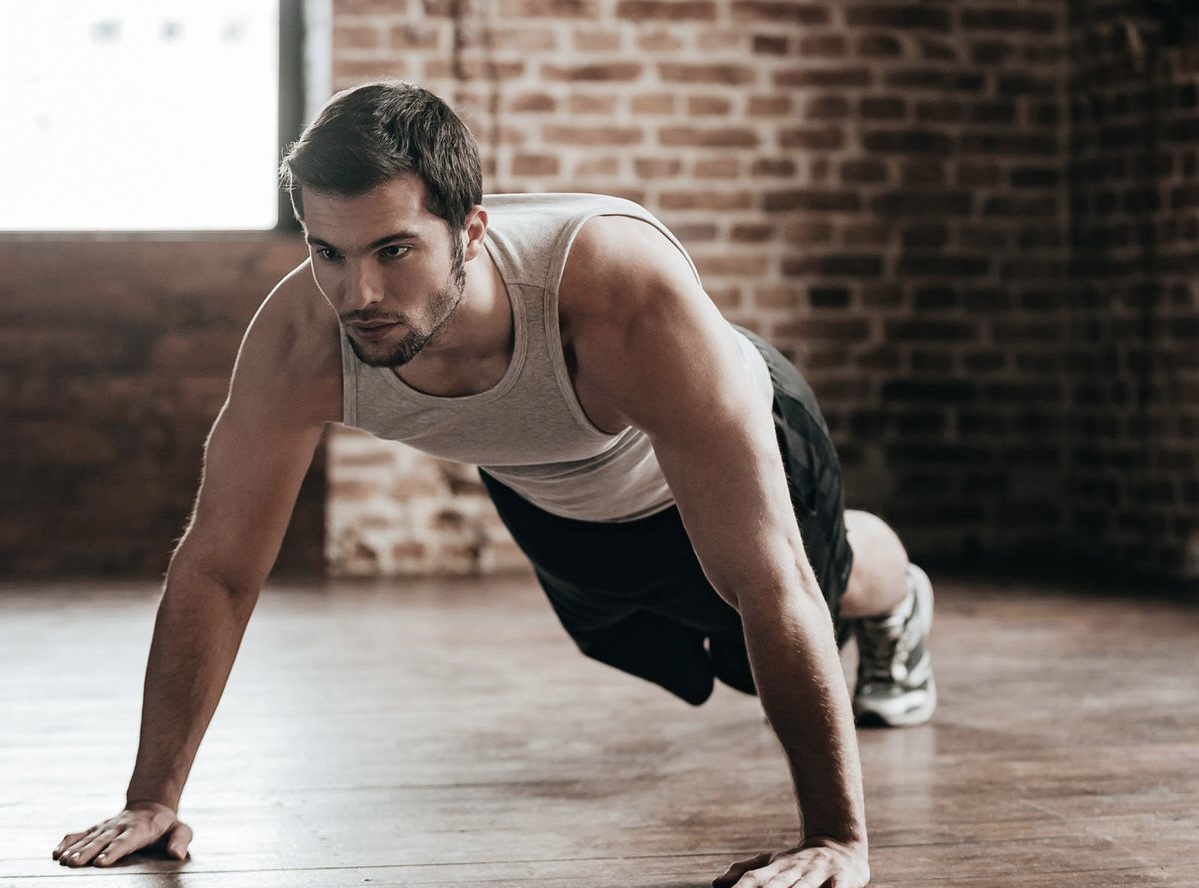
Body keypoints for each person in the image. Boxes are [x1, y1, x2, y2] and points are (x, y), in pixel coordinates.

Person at [52, 81, 935, 887]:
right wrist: (152, 799)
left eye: (394, 249)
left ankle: (897, 599)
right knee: (657, 646)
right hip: (552, 489)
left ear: (470, 231)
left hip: (719, 443)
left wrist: (835, 839)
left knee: (804, 591)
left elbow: (769, 576)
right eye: (329, 252)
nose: (357, 292)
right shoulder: (301, 341)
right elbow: (217, 566)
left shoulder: (619, 292)